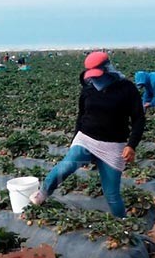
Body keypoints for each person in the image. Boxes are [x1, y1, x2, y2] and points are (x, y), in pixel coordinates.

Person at [30, 51, 145, 218]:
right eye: (91, 76)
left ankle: (124, 225)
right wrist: (75, 140)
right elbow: (81, 115)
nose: (94, 79)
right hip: (86, 138)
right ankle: (42, 194)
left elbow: (138, 119)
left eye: (98, 75)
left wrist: (131, 145)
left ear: (108, 70)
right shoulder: (88, 89)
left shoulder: (127, 89)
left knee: (112, 194)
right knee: (67, 166)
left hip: (113, 146)